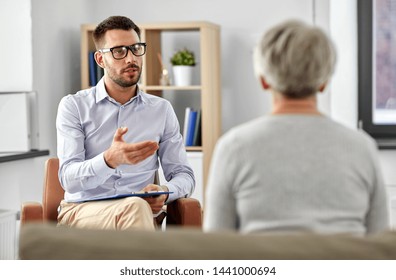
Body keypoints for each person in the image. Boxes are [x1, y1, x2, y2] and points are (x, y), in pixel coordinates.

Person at [203, 20, 389, 235]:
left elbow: (216, 247)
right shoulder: (361, 148)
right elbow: (380, 246)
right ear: (324, 82)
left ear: (263, 80)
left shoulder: (233, 147)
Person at [56, 15, 195, 231]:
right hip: (82, 212)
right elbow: (69, 179)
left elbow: (184, 175)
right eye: (119, 51)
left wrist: (164, 191)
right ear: (100, 60)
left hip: (142, 212)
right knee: (134, 208)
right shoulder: (73, 106)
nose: (131, 59)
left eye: (136, 48)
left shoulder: (161, 109)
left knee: (135, 207)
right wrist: (109, 160)